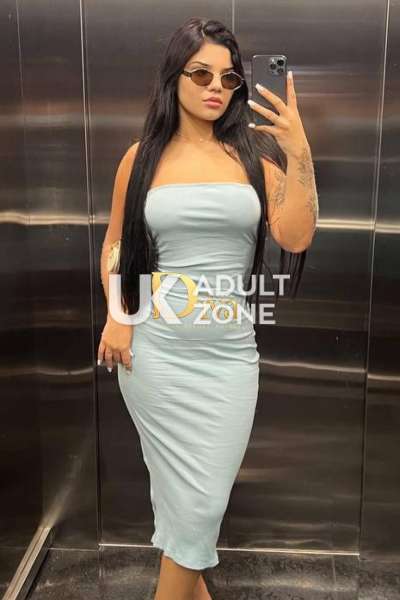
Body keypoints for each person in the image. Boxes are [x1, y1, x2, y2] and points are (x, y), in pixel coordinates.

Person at [97, 16, 318, 600]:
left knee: (198, 507)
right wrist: (120, 314)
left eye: (228, 77)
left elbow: (295, 236)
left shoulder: (252, 159)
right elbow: (116, 246)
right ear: (174, 78)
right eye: (200, 74)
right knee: (186, 510)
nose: (215, 87)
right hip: (155, 359)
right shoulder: (139, 160)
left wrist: (298, 151)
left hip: (228, 360)